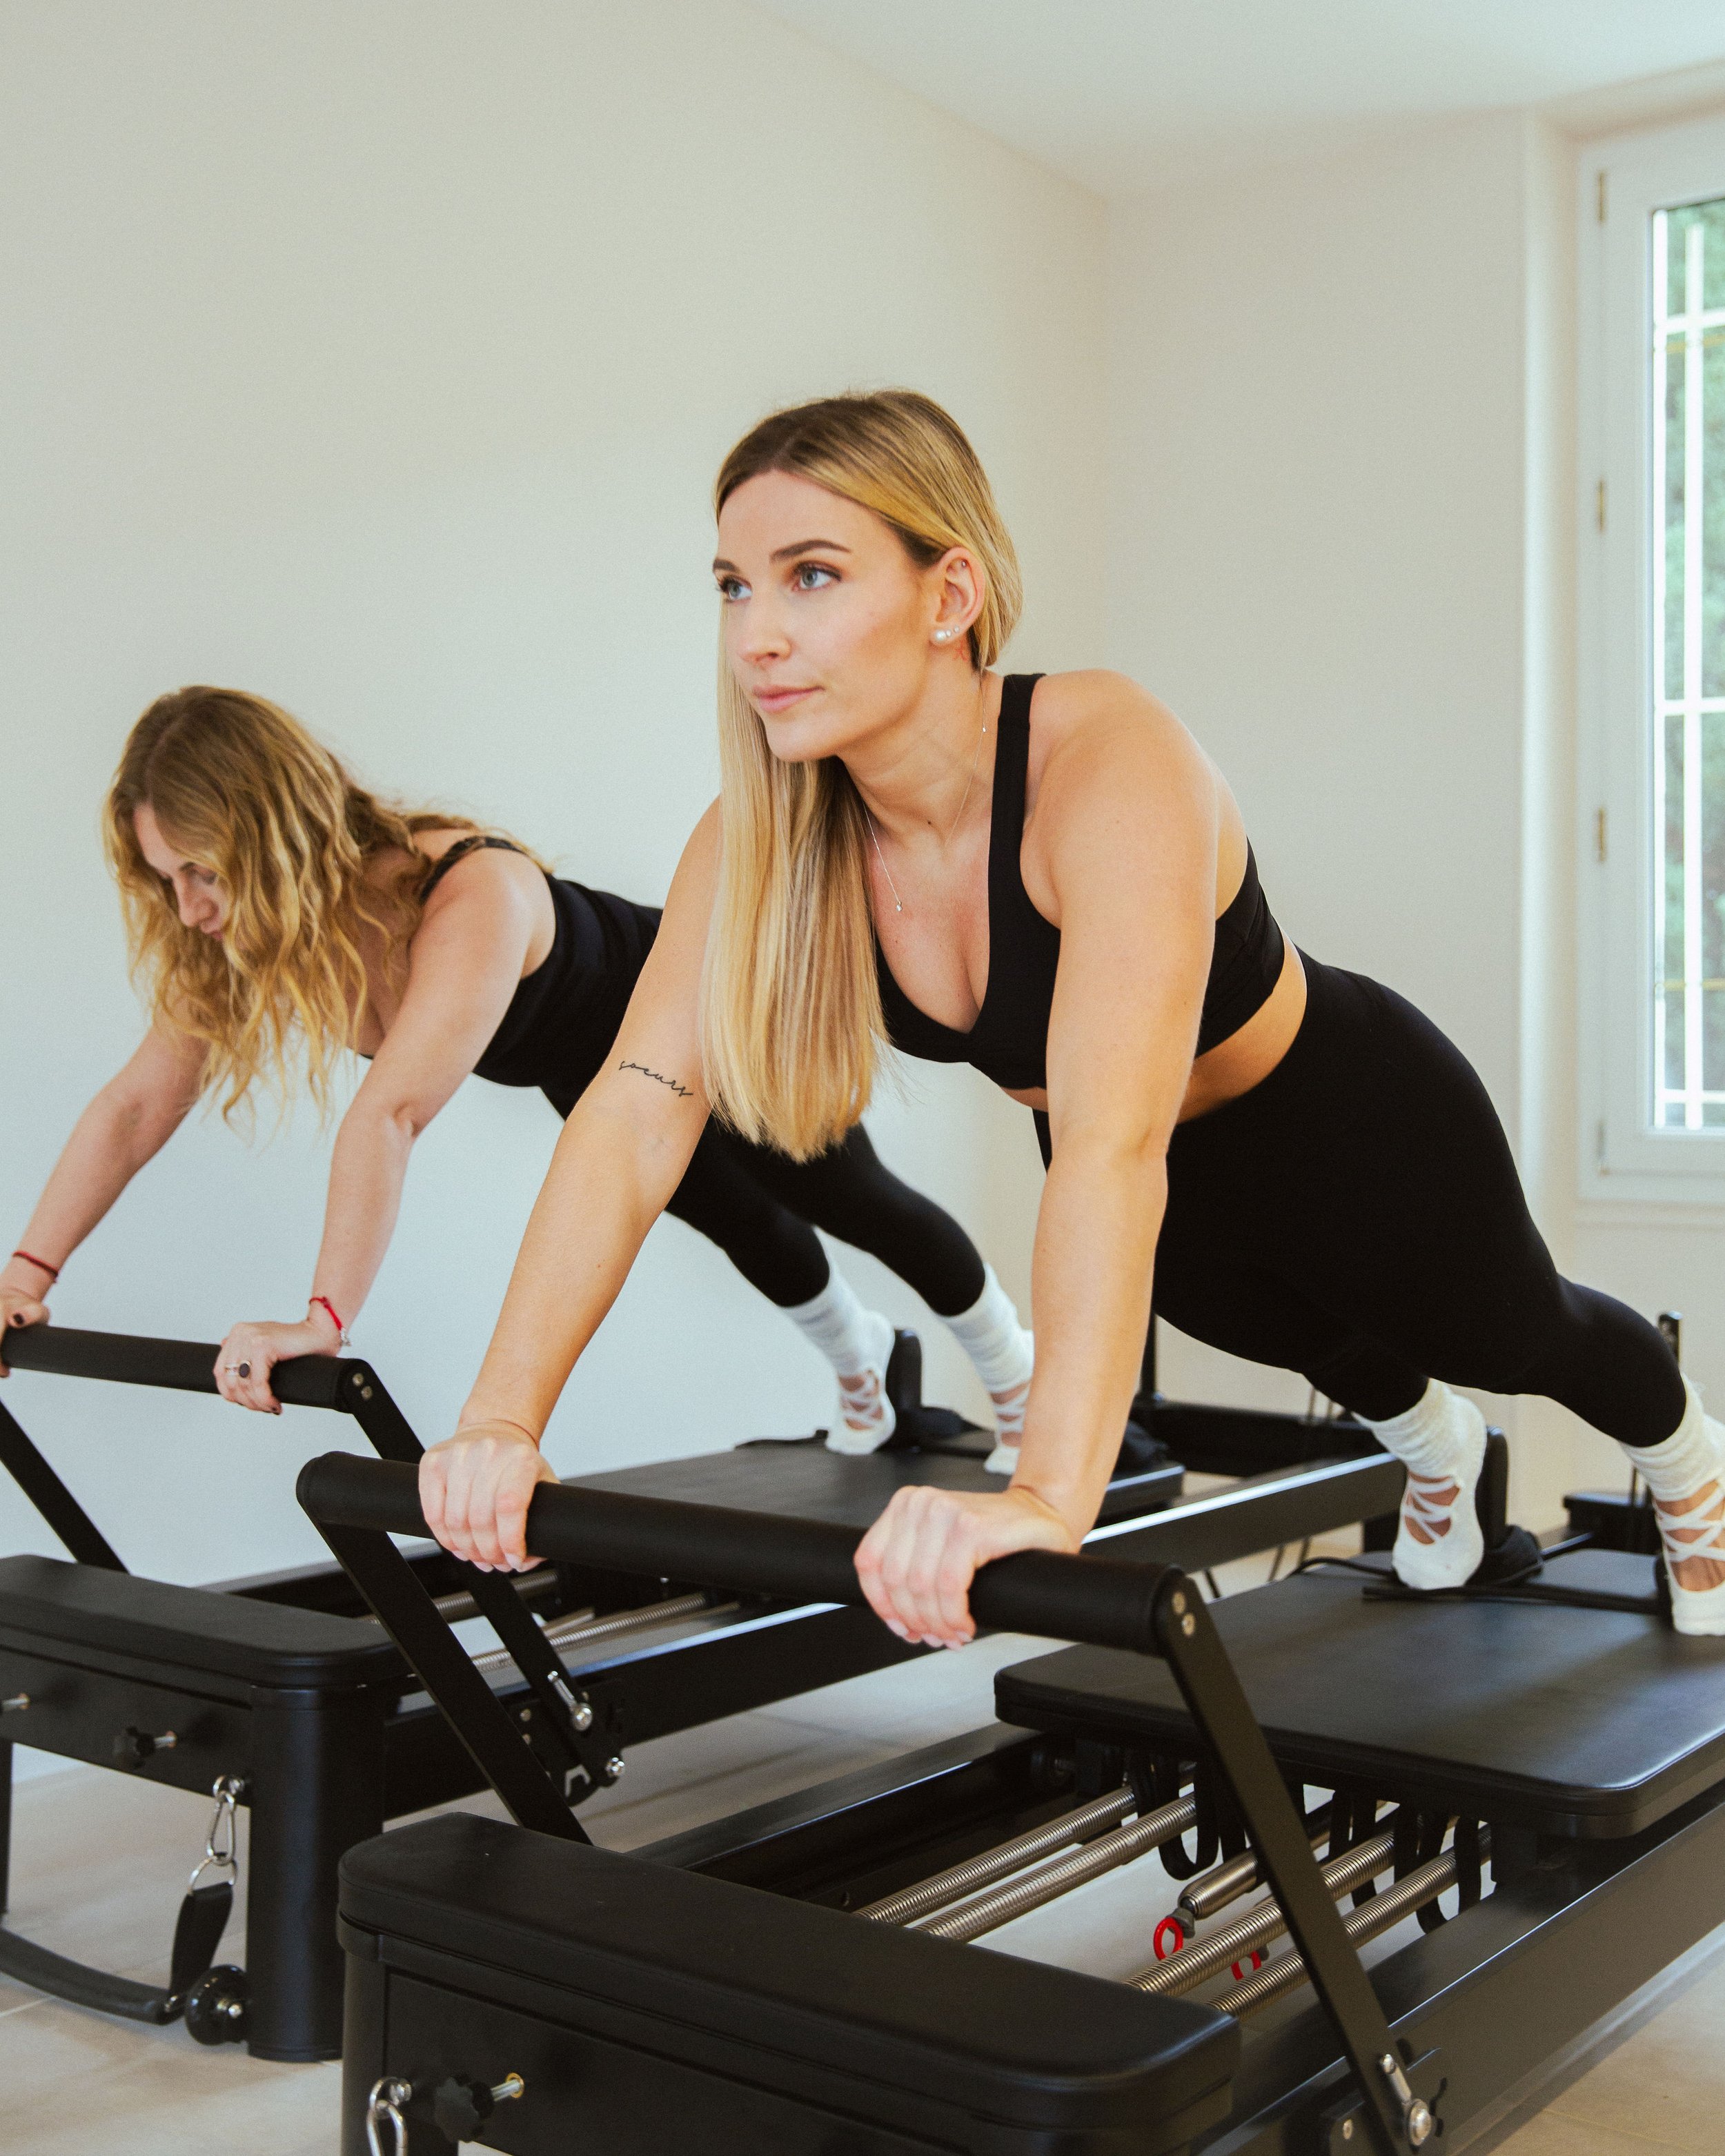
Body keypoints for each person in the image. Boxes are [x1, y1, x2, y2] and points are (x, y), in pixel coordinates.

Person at [417, 389, 1724, 1642]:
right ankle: (1437, 1448)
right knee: (1290, 1334)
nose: (756, 632)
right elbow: (639, 1111)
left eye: (810, 575)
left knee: (1509, 1329)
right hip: (1147, 1163)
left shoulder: (1103, 758)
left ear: (951, 594)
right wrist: (500, 1417)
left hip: (1345, 1115)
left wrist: (1046, 1497)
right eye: (733, 585)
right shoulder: (765, 841)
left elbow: (1112, 1148)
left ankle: (1690, 1459)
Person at [0, 686, 1034, 1451]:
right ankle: (868, 1373)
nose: (188, 908)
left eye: (203, 871)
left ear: (271, 835)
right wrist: (25, 1274)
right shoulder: (254, 942)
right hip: (594, 1081)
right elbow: (137, 1105)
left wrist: (321, 1320)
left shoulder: (467, 890)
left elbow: (392, 1112)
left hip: (703, 1007)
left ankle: (1022, 1381)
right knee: (735, 1218)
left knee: (850, 1196)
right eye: (166, 878)